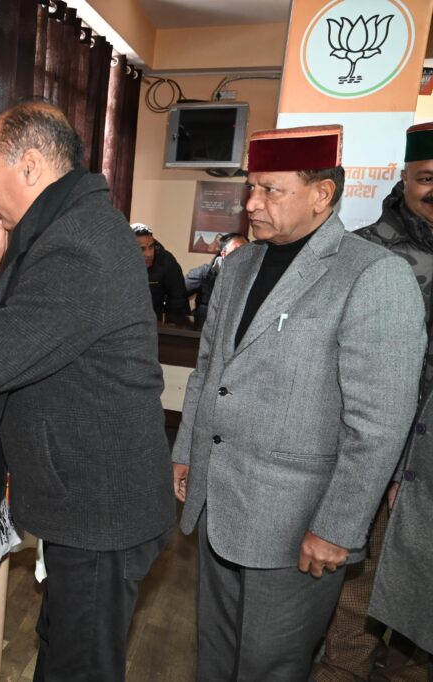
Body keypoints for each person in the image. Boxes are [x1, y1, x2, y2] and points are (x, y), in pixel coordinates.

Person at [171, 125, 426, 681]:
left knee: (270, 667)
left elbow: (379, 424)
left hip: (296, 522)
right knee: (215, 657)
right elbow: (209, 369)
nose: (251, 203)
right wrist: (187, 452)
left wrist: (338, 527)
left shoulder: (373, 275)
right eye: (252, 187)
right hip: (218, 501)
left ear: (321, 194)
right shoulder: (240, 266)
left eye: (271, 190)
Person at [0, 101, 174, 680]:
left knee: (78, 668)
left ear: (30, 166)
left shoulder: (77, 245)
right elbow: (24, 339)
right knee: (61, 651)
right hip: (86, 500)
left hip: (99, 511)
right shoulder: (66, 228)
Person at [314, 121, 433, 681]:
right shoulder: (363, 251)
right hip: (380, 453)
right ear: (403, 177)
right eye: (427, 177)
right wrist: (390, 464)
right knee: (359, 591)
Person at [132, 223, 191, 322]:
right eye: (142, 249)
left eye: (151, 247)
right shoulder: (118, 262)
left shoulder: (166, 261)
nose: (149, 254)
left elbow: (178, 299)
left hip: (154, 321)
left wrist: (170, 326)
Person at [184, 232, 248, 324]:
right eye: (236, 250)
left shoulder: (254, 276)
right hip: (204, 327)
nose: (242, 254)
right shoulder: (206, 273)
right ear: (224, 254)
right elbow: (177, 293)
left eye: (246, 250)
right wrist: (184, 319)